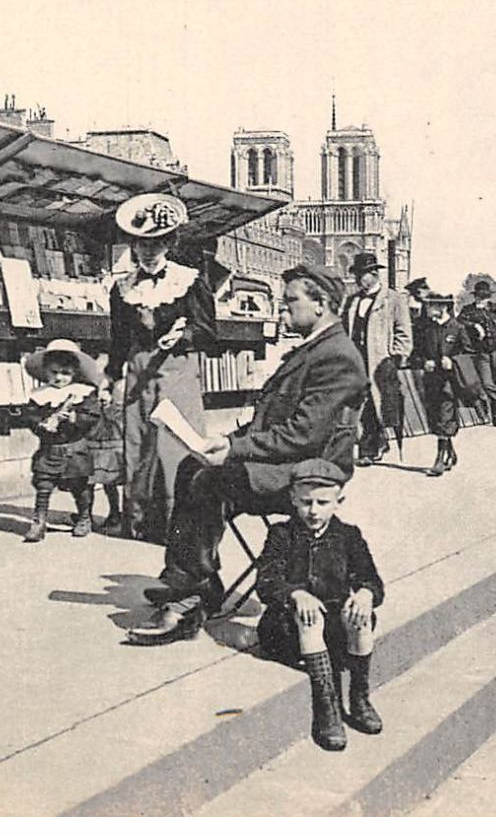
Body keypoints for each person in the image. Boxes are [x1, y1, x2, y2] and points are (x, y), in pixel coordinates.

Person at [126, 264, 368, 645]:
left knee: (209, 480)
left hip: (309, 472)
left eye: (290, 302)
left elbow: (304, 434)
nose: (281, 311)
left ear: (320, 303)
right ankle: (194, 581)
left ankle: (190, 594)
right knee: (194, 464)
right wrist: (225, 441)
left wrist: (235, 450)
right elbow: (271, 422)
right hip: (287, 461)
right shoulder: (315, 349)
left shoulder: (336, 355)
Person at [107, 193, 217, 543]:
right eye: (142, 244)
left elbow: (209, 333)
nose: (149, 251)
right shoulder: (122, 287)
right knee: (138, 445)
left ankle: (178, 525)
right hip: (138, 371)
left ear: (170, 242)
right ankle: (139, 522)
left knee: (174, 446)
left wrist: (183, 334)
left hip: (176, 371)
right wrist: (113, 379)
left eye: (156, 243)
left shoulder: (189, 280)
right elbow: (118, 339)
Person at [254, 459, 385, 752]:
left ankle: (360, 696)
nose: (313, 511)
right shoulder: (281, 535)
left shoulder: (349, 536)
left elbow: (372, 579)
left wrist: (365, 593)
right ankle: (328, 709)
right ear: (292, 500)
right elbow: (266, 581)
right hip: (286, 630)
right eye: (306, 502)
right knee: (309, 615)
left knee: (362, 615)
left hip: (334, 634)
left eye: (322, 502)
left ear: (338, 502)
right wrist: (295, 595)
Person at [13, 339, 104, 543]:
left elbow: (92, 416)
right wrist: (41, 424)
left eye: (65, 373)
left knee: (80, 487)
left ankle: (84, 517)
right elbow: (30, 416)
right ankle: (39, 522)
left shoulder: (83, 393)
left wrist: (74, 419)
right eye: (54, 372)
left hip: (75, 448)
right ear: (46, 371)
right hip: (50, 448)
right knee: (43, 485)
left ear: (74, 373)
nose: (59, 378)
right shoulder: (40, 395)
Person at [340, 253, 411, 465]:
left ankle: (372, 446)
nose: (358, 279)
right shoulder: (352, 301)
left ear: (374, 274)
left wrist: (397, 355)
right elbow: (345, 328)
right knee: (359, 402)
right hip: (356, 358)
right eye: (357, 275)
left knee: (377, 402)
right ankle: (372, 444)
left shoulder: (393, 299)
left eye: (362, 275)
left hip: (380, 360)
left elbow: (403, 330)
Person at [411, 292, 478, 476]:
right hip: (431, 380)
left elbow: (469, 353)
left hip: (450, 381)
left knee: (445, 413)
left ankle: (439, 459)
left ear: (442, 307)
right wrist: (424, 362)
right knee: (435, 416)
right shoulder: (427, 329)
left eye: (431, 306)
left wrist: (453, 360)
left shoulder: (457, 328)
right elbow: (415, 354)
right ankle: (450, 453)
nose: (428, 310)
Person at [458, 280, 496, 426]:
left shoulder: (495, 310)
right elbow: (459, 321)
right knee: (487, 384)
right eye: (480, 296)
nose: (483, 299)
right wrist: (475, 325)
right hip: (482, 352)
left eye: (486, 296)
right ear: (475, 296)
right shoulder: (468, 311)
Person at [87, 375, 128, 534]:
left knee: (109, 482)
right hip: (93, 444)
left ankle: (114, 512)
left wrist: (108, 406)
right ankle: (86, 515)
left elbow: (117, 418)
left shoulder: (117, 400)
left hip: (112, 445)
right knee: (89, 481)